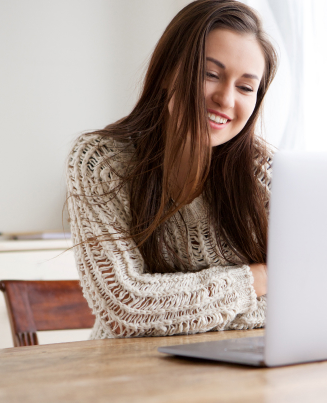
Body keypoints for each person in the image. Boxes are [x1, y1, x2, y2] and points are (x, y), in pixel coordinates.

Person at [66, 0, 278, 339]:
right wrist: (257, 280)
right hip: (130, 380)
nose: (226, 99)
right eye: (211, 74)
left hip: (237, 380)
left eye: (245, 87)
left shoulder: (266, 172)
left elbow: (303, 296)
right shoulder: (101, 160)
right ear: (168, 71)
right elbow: (126, 307)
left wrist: (179, 308)